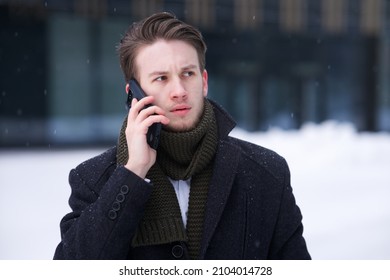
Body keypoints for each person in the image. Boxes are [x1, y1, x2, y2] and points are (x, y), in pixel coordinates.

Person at [54, 12, 310, 260]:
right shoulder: (93, 180)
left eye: (188, 74)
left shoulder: (266, 173)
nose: (179, 91)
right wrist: (132, 174)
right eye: (161, 78)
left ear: (204, 81)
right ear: (134, 93)